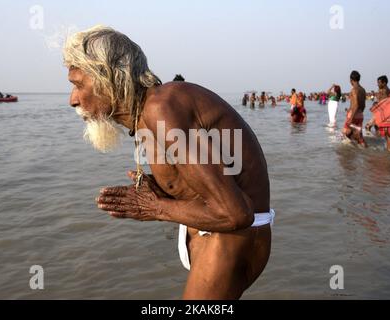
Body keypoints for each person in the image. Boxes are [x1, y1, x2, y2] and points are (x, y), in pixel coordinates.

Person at [64, 25, 274, 300]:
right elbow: (203, 181)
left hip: (230, 239)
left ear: (110, 77)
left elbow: (235, 213)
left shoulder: (160, 108)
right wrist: (163, 191)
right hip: (217, 236)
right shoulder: (145, 115)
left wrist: (154, 207)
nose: (73, 100)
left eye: (79, 85)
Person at [342, 71, 367, 147]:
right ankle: (360, 151)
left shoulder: (354, 90)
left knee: (345, 133)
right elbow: (363, 105)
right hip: (360, 115)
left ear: (351, 80)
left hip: (353, 115)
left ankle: (350, 153)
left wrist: (351, 117)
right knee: (356, 135)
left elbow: (356, 105)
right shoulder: (363, 90)